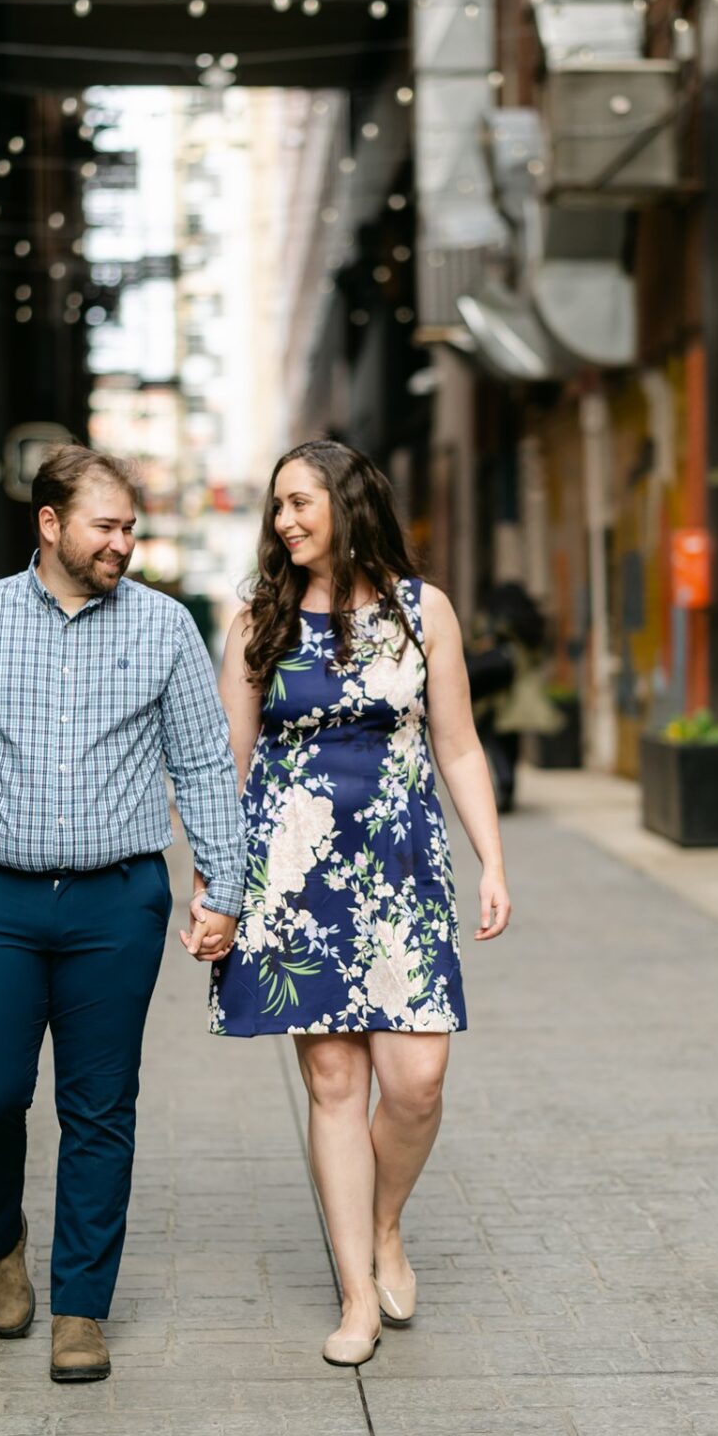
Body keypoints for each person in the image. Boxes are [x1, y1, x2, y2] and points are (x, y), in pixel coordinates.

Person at [0, 446, 244, 1384]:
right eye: (107, 526)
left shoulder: (165, 629)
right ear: (50, 524)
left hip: (116, 903)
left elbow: (205, 764)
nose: (124, 544)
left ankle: (81, 1307)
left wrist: (225, 888)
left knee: (100, 1108)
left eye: (131, 527)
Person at [193, 440, 511, 1367]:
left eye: (300, 503)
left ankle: (384, 1226)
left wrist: (491, 859)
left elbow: (456, 746)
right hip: (293, 876)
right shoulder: (258, 616)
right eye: (276, 507)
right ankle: (357, 1297)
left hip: (402, 871)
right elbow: (227, 765)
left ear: (348, 501)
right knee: (336, 1085)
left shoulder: (424, 612)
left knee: (416, 1084)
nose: (284, 520)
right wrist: (218, 890)